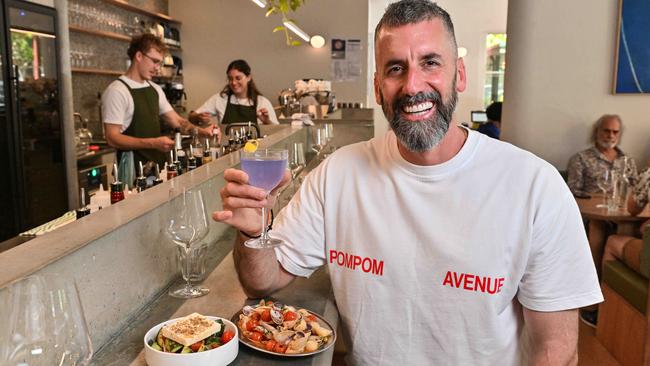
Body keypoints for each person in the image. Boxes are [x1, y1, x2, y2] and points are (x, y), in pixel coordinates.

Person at [214, 1, 602, 364]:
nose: (413, 85)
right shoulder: (338, 175)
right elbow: (263, 281)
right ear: (379, 85)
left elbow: (557, 349)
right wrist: (253, 233)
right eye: (396, 68)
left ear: (459, 74)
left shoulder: (535, 186)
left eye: (430, 62)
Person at [103, 34, 214, 169]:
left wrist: (203, 132)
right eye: (154, 61)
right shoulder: (117, 91)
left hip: (157, 167)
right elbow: (112, 137)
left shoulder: (154, 89)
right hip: (132, 171)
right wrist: (153, 143)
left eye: (159, 63)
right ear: (139, 56)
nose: (157, 67)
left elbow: (178, 122)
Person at [189, 59, 279, 127]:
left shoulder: (262, 102)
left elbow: (277, 132)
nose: (234, 82)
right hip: (228, 150)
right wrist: (198, 117)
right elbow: (191, 117)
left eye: (238, 78)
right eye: (230, 79)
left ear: (248, 77)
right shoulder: (220, 99)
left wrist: (266, 121)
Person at [567, 114, 638, 196]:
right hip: (592, 206)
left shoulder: (628, 160)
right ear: (596, 131)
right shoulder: (580, 158)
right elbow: (573, 192)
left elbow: (636, 190)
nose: (611, 136)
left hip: (622, 206)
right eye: (606, 131)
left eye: (615, 132)